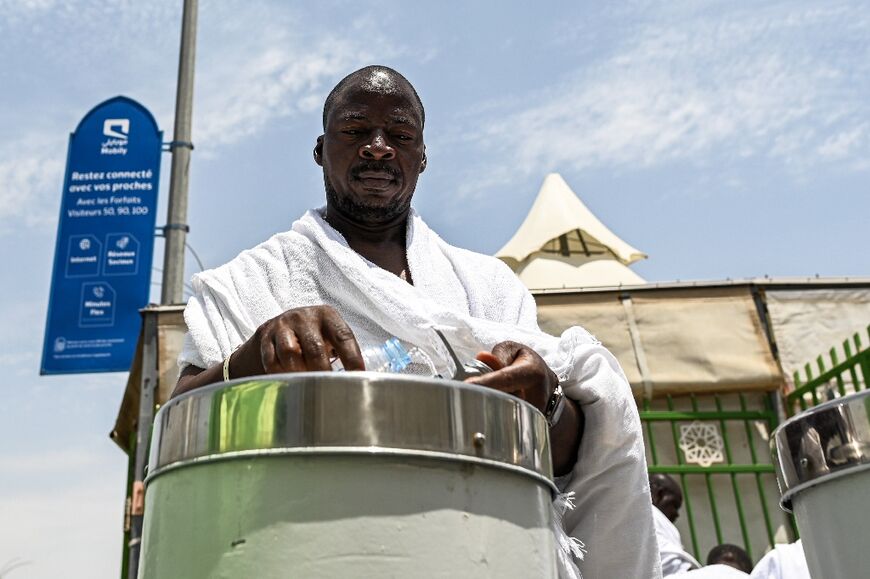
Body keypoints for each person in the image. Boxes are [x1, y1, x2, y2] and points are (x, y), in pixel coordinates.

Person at [174, 65, 661, 578]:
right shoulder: (252, 282)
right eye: (356, 130)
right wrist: (255, 355)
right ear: (321, 150)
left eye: (400, 136)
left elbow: (569, 467)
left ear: (421, 157)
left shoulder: (489, 287)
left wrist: (551, 402)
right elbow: (180, 421)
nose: (378, 147)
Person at [649, 473, 702, 575]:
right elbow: (667, 563)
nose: (676, 514)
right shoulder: (648, 514)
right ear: (658, 495)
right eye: (674, 504)